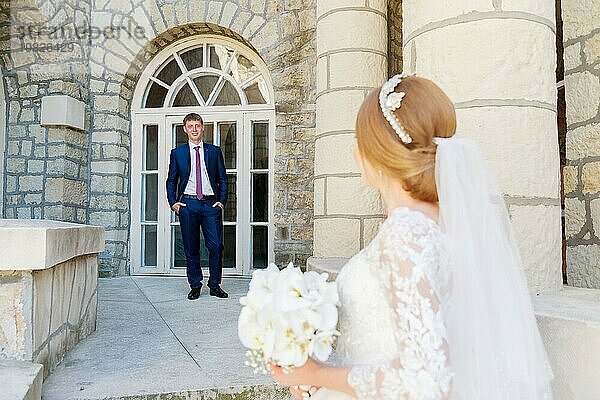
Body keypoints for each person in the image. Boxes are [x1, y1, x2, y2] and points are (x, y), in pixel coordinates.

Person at [271, 75, 554, 399]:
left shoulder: (407, 232)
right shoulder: (442, 224)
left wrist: (318, 373)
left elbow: (425, 381)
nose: (355, 150)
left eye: (359, 138)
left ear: (378, 150)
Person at [166, 113, 229, 300]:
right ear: (185, 129)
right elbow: (171, 180)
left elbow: (223, 179)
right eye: (190, 125)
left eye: (197, 125)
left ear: (203, 128)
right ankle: (195, 285)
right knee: (191, 248)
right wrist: (174, 203)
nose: (194, 129)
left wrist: (222, 202)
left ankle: (214, 284)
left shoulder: (214, 151)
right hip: (188, 204)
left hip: (211, 204)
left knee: (216, 246)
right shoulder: (177, 153)